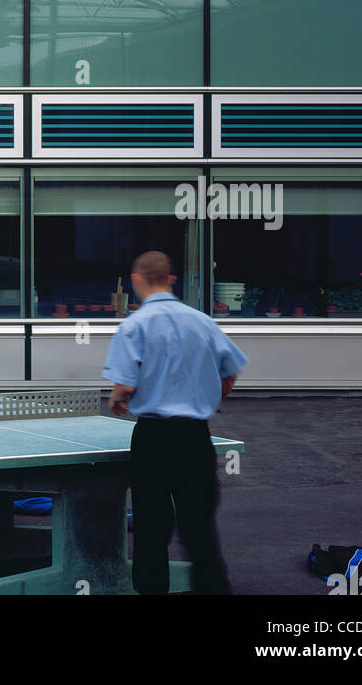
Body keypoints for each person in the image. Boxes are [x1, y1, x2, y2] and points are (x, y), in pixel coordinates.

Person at [102, 250, 248, 596]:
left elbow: (126, 385)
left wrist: (115, 398)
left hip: (153, 438)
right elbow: (230, 371)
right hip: (195, 436)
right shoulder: (201, 321)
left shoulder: (133, 325)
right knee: (199, 530)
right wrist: (209, 400)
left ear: (136, 280)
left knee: (152, 531)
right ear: (171, 280)